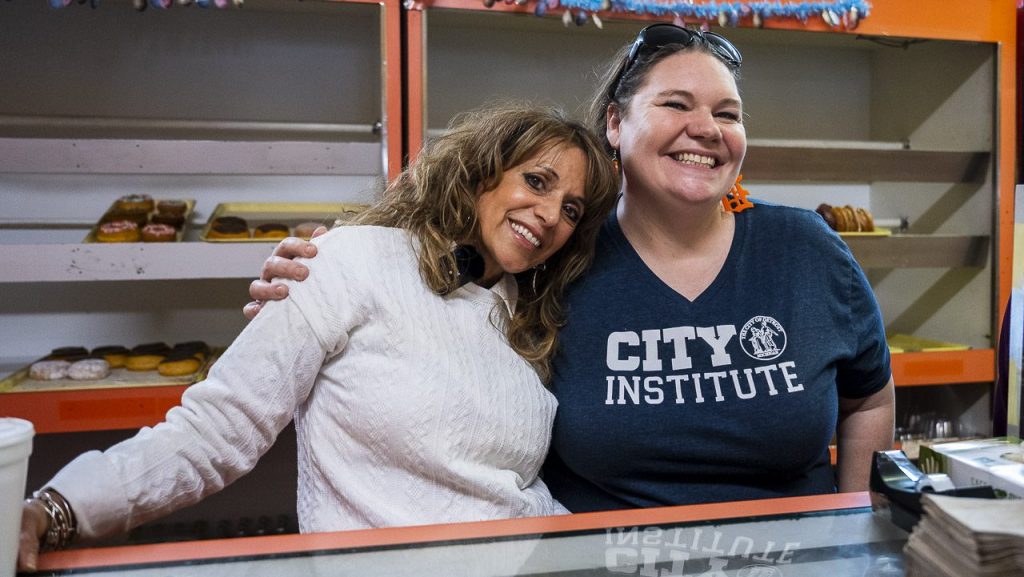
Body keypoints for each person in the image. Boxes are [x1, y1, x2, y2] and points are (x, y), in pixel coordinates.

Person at [246, 24, 895, 513]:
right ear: (615, 122)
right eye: (676, 104)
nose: (707, 128)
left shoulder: (805, 248)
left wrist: (856, 517)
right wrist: (318, 276)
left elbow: (870, 391)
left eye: (727, 113)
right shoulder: (556, 254)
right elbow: (426, 284)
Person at [18, 103, 620, 571]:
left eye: (571, 209)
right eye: (536, 181)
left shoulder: (527, 313)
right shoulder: (348, 261)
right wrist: (57, 509)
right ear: (481, 172)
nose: (548, 214)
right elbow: (216, 430)